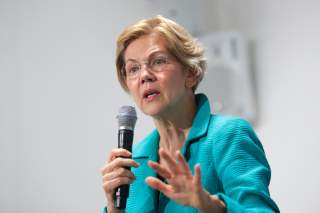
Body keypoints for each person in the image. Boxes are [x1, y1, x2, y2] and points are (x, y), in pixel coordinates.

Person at [100, 15, 280, 213]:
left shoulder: (228, 135)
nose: (144, 75)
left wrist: (208, 204)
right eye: (133, 69)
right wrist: (113, 209)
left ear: (191, 72)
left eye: (158, 61)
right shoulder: (133, 161)